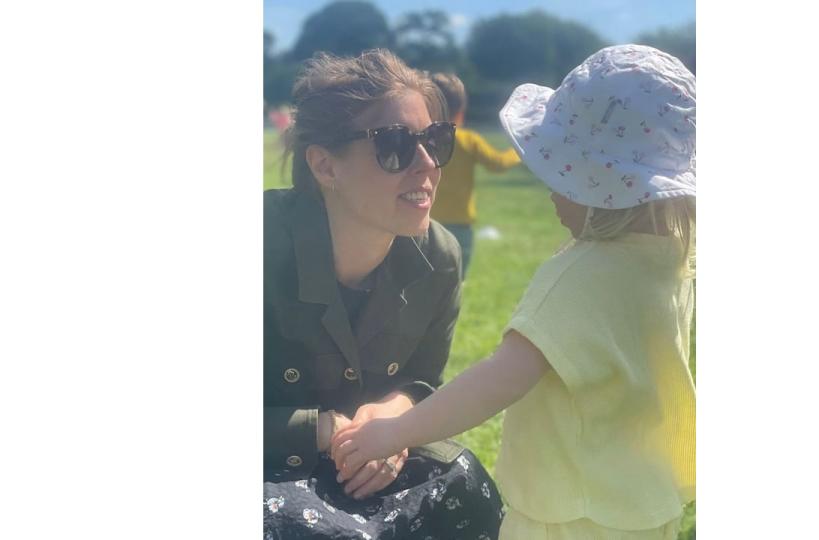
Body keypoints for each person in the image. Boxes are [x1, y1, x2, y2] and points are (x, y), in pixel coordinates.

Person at [331, 44, 697, 540]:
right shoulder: (670, 264)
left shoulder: (580, 275)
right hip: (645, 506)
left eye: (559, 171)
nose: (547, 185)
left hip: (566, 511)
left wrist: (395, 432)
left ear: (597, 181)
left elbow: (499, 380)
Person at [263, 49, 504, 540]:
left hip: (372, 462)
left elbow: (420, 380)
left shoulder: (440, 257)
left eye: (436, 141)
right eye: (394, 144)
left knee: (467, 487)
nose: (427, 164)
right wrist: (323, 430)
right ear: (325, 166)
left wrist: (396, 420)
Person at [428, 72, 521, 277]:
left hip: (425, 222)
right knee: (454, 282)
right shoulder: (468, 140)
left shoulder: (422, 140)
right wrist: (518, 150)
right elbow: (498, 164)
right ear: (460, 113)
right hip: (460, 225)